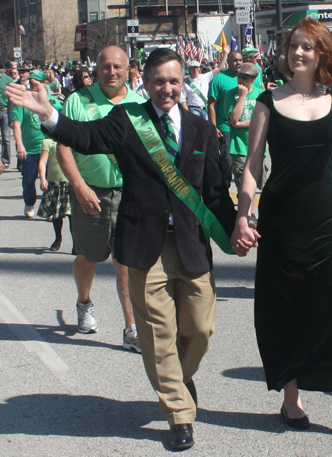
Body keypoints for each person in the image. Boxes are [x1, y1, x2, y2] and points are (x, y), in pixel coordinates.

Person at [6, 47, 237, 451]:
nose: (166, 88)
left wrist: (236, 229)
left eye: (174, 81)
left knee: (200, 329)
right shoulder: (127, 120)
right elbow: (85, 137)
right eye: (158, 81)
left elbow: (215, 191)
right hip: (145, 243)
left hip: (190, 243)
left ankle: (179, 380)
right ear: (143, 82)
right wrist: (48, 115)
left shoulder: (201, 130)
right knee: (157, 333)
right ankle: (178, 414)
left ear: (184, 83)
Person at [231, 15, 332, 436]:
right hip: (282, 223)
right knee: (288, 311)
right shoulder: (267, 102)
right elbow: (252, 165)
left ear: (321, 54)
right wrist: (242, 216)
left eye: (307, 46)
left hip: (327, 221)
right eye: (293, 46)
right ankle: (291, 400)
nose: (298, 52)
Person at [55, 47, 143, 355]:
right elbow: (63, 150)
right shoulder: (79, 101)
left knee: (126, 263)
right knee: (89, 257)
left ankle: (131, 329)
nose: (111, 72)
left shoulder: (139, 103)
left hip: (130, 194)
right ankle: (84, 302)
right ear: (97, 69)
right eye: (105, 67)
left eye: (117, 66)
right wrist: (79, 187)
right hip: (91, 192)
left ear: (129, 68)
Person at [12, 70, 62, 218]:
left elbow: (62, 122)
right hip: (30, 150)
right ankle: (29, 202)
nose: (32, 87)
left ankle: (51, 208)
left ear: (44, 84)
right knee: (29, 181)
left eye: (36, 83)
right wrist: (19, 144)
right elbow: (16, 125)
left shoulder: (53, 102)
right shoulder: (22, 102)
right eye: (31, 84)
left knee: (51, 181)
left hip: (49, 149)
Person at [225, 62, 267, 192]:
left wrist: (239, 125)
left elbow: (263, 121)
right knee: (243, 187)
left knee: (257, 184)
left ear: (253, 79)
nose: (241, 80)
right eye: (239, 77)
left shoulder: (261, 94)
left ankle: (250, 211)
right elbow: (233, 119)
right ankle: (247, 212)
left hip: (257, 146)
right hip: (239, 147)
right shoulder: (231, 94)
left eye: (245, 78)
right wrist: (242, 96)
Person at [208, 50, 243, 188]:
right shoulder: (219, 79)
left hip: (244, 127)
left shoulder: (247, 78)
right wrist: (214, 127)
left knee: (244, 165)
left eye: (240, 60)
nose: (238, 62)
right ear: (228, 61)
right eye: (235, 60)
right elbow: (211, 105)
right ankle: (223, 193)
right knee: (227, 162)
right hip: (225, 127)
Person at [37, 138, 72, 251]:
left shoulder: (71, 139)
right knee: (57, 215)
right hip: (54, 182)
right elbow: (42, 162)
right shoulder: (48, 142)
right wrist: (43, 179)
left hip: (70, 182)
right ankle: (58, 239)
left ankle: (76, 243)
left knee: (73, 216)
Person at [180, 45, 230, 120]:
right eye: (193, 68)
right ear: (190, 69)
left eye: (197, 67)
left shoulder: (205, 77)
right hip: (193, 109)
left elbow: (219, 68)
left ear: (200, 68)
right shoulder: (186, 83)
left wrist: (226, 54)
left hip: (205, 108)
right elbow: (183, 100)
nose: (195, 70)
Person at [0, 71, 13, 169]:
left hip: (4, 111)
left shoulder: (7, 79)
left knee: (6, 137)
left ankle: (5, 160)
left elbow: (12, 96)